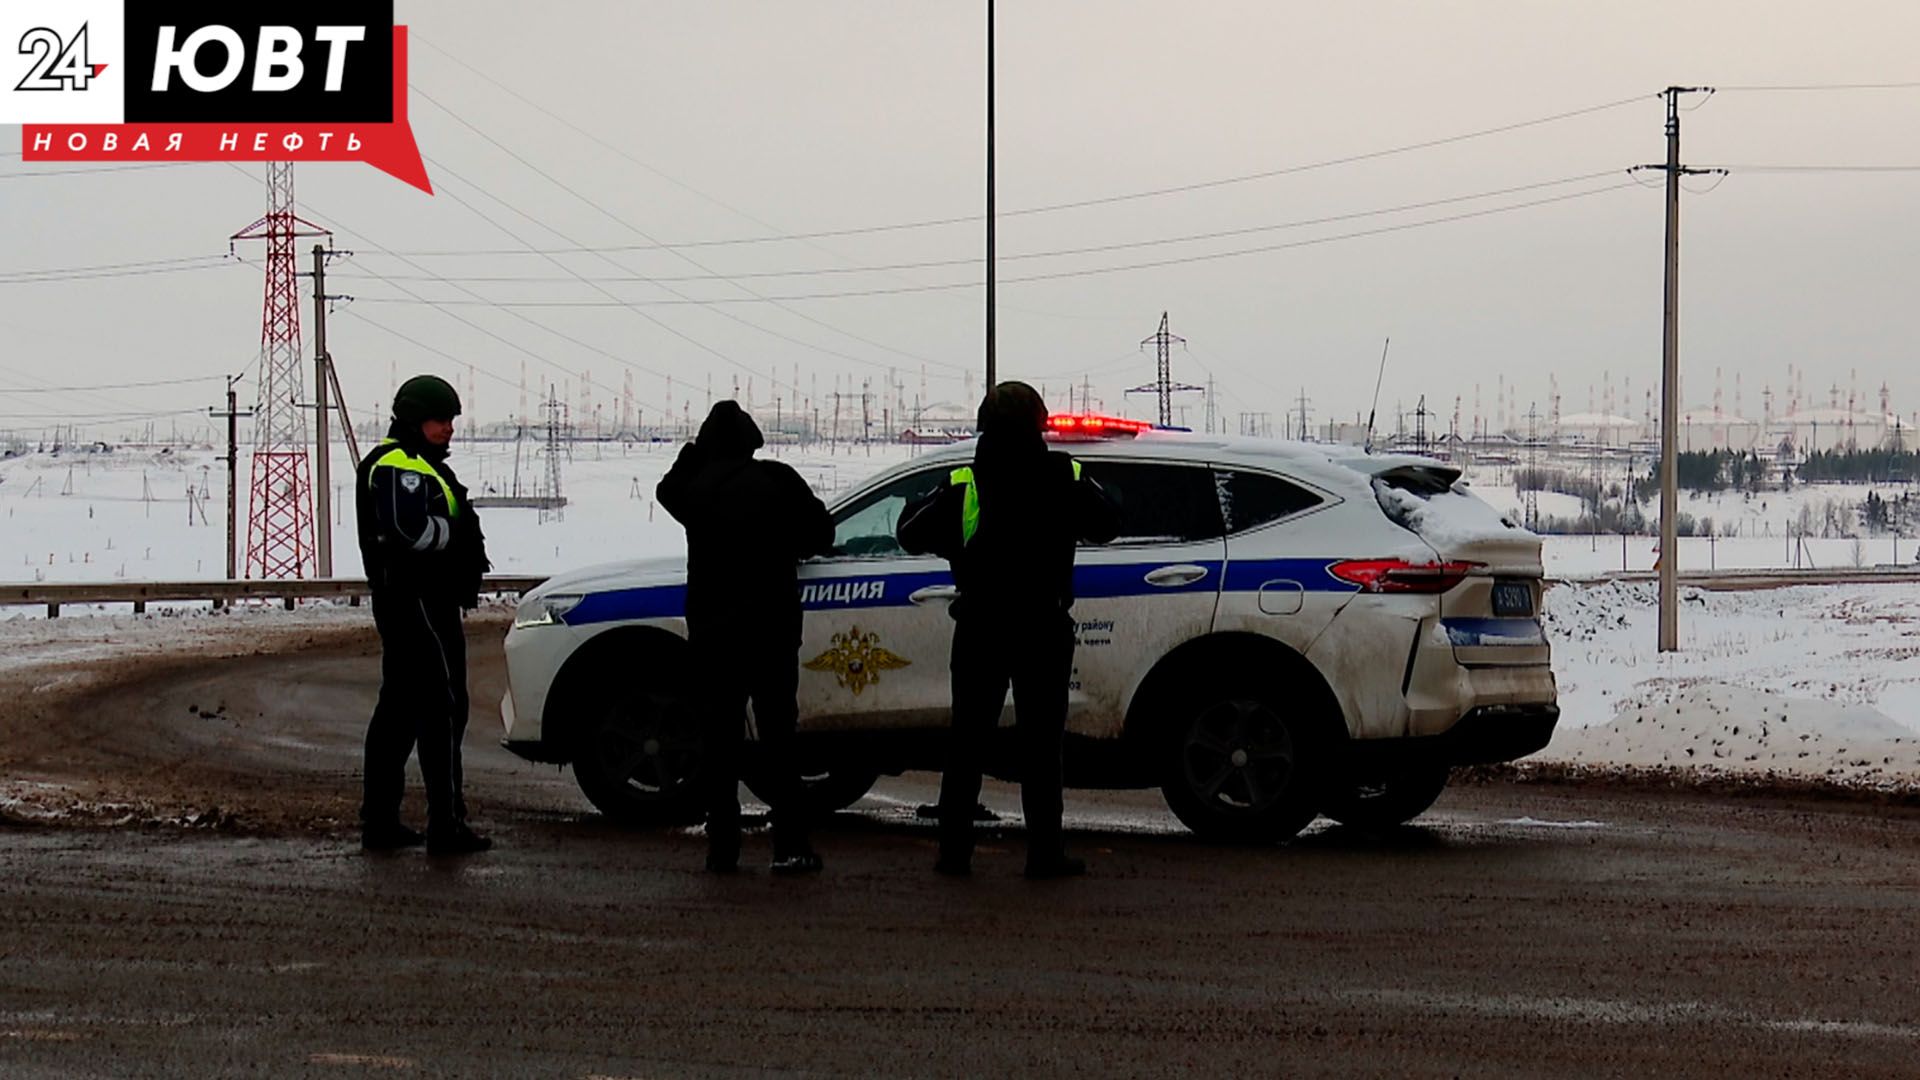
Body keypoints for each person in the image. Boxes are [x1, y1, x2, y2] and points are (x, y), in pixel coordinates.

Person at [898, 382, 1119, 879]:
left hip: (982, 625)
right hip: (1043, 626)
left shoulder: (965, 481)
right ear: (1040, 424)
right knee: (1042, 746)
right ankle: (1045, 855)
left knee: (967, 742)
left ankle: (953, 854)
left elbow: (910, 533)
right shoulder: (1066, 474)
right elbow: (1109, 524)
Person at [657, 400, 836, 874]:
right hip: (772, 632)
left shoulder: (695, 491)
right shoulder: (777, 482)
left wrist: (692, 453)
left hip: (713, 635)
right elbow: (823, 533)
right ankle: (791, 844)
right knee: (780, 739)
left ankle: (722, 847)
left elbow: (666, 490)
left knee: (719, 742)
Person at [355, 374, 493, 857]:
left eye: (452, 420)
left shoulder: (419, 463)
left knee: (397, 712)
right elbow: (408, 530)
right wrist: (455, 540)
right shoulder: (398, 465)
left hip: (420, 600)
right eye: (439, 420)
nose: (448, 429)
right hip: (416, 601)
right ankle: (445, 825)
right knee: (442, 709)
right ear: (414, 419)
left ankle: (381, 822)